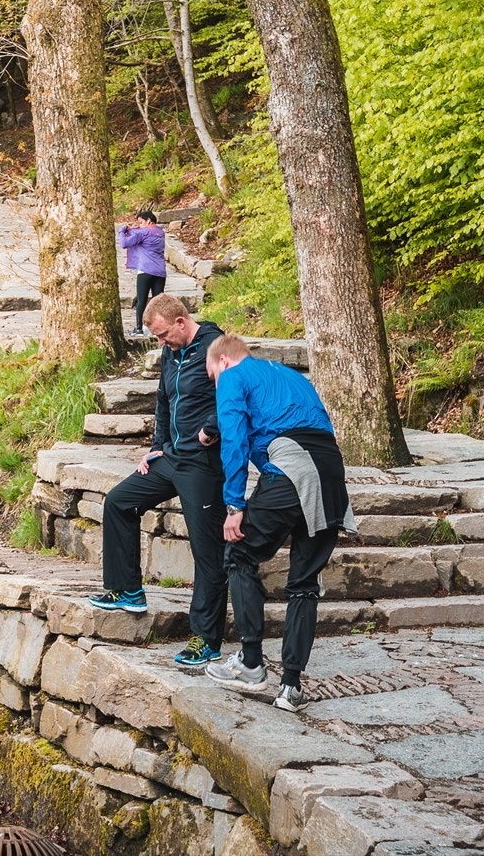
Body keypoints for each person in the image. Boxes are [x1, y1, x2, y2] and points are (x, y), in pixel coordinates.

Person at [201, 333, 352, 713]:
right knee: (303, 584)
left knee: (239, 554)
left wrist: (234, 505)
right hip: (331, 476)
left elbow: (234, 439)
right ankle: (291, 687)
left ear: (222, 362)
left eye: (213, 378)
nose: (218, 387)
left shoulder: (233, 375)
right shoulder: (291, 376)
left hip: (290, 470)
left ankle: (252, 663)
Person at [87, 294, 229, 669]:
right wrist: (156, 447)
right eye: (157, 337)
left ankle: (206, 639)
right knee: (119, 501)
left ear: (181, 322)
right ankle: (128, 589)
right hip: (172, 458)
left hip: (203, 464)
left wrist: (211, 429)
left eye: (164, 334)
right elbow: (163, 402)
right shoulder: (171, 352)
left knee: (207, 550)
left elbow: (233, 394)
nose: (161, 342)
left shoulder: (217, 346)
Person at [118, 210, 166, 337]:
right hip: (160, 271)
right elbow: (142, 232)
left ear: (149, 221)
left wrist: (122, 231)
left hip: (145, 271)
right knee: (158, 301)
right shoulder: (161, 232)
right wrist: (136, 229)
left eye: (141, 222)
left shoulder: (143, 233)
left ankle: (139, 328)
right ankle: (160, 329)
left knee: (142, 300)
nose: (139, 225)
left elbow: (124, 243)